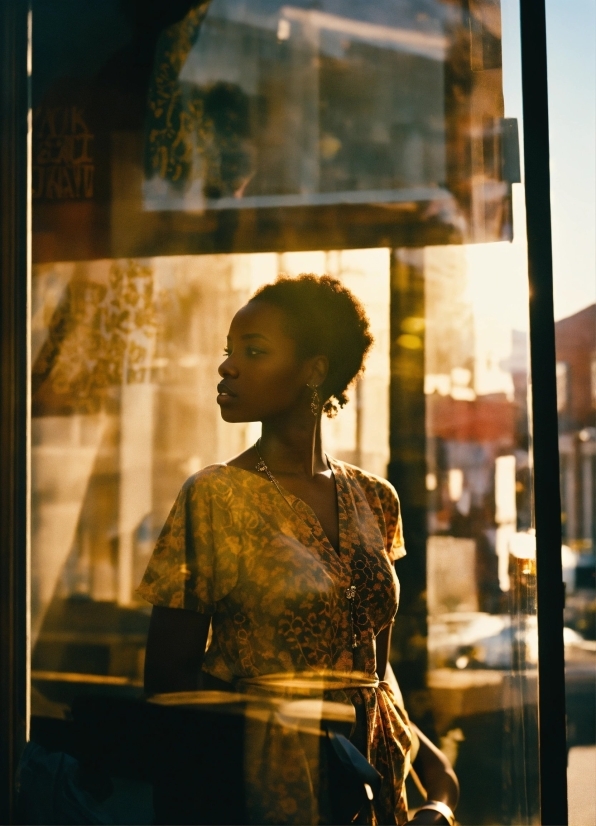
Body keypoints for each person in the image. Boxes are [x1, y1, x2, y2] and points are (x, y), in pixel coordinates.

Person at [138, 275, 458, 825]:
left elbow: (371, 671)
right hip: (262, 782)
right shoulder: (216, 495)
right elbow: (169, 683)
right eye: (229, 352)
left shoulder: (375, 499)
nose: (227, 367)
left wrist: (436, 777)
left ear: (314, 370)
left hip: (376, 774)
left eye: (254, 351)